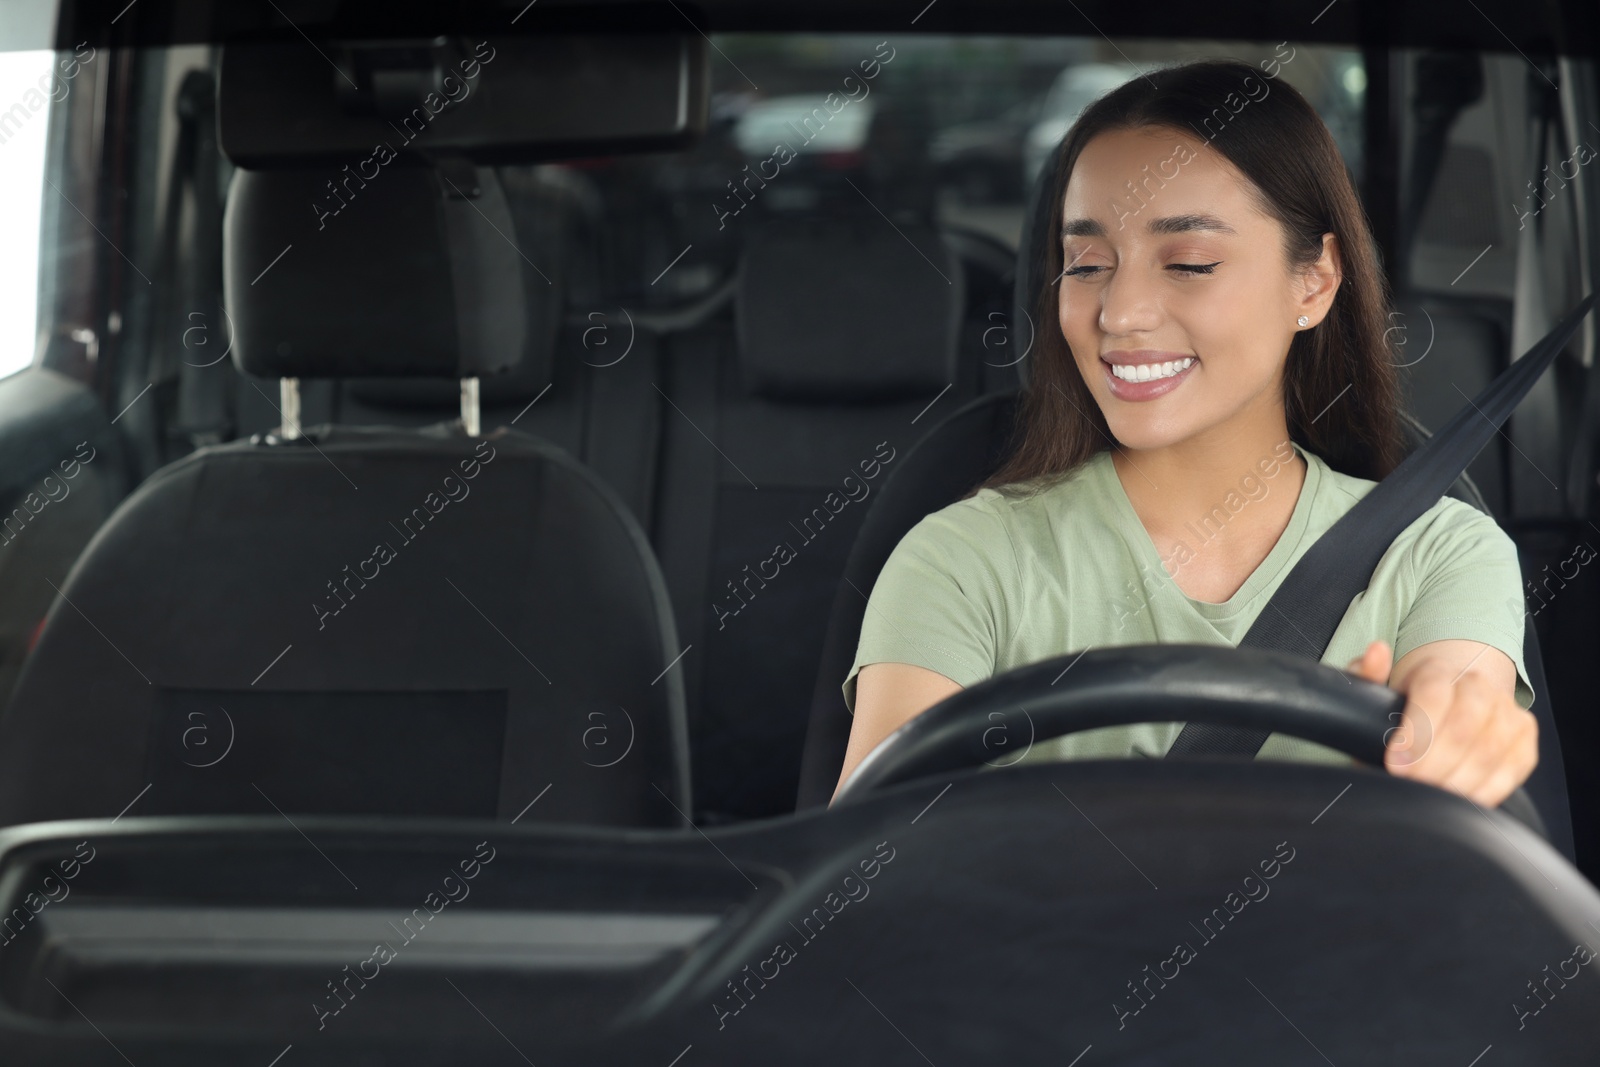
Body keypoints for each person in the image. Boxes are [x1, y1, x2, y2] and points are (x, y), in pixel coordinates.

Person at [834, 58, 1538, 808]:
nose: (1120, 311)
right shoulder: (961, 562)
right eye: (1087, 263)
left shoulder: (1440, 553)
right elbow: (873, 874)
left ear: (1315, 282)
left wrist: (1456, 734)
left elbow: (1457, 698)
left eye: (1191, 263)